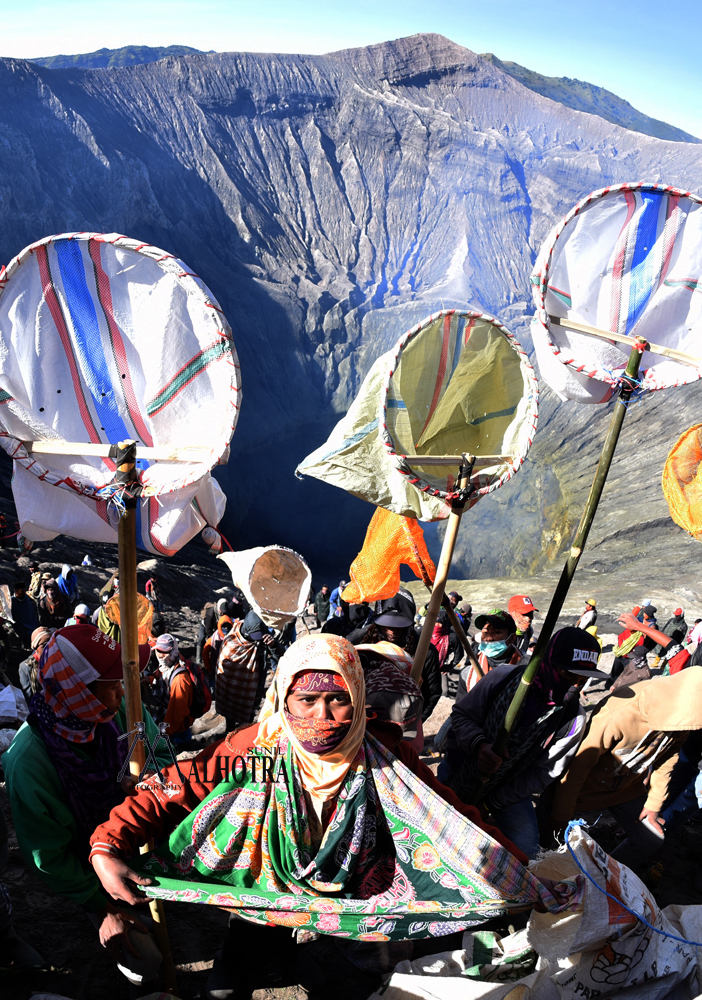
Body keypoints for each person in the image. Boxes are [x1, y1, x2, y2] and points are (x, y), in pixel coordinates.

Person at [88, 633, 569, 999]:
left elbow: (448, 814)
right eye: (306, 700)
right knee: (236, 974)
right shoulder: (260, 747)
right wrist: (108, 844)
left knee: (356, 979)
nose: (323, 717)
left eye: (338, 700)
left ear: (359, 698)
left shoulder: (380, 754)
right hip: (269, 885)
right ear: (284, 698)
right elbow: (178, 784)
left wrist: (520, 873)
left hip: (355, 891)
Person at [2, 624, 168, 988]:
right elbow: (48, 857)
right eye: (111, 686)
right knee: (147, 961)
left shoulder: (123, 710)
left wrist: (150, 782)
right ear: (78, 695)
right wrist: (102, 908)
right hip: (87, 869)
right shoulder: (30, 763)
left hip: (141, 836)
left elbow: (156, 754)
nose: (123, 693)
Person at [441, 628, 605, 858]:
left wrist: (491, 804)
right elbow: (461, 716)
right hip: (460, 765)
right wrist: (478, 745)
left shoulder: (572, 718)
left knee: (527, 852)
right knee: (434, 822)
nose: (575, 687)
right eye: (568, 676)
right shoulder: (503, 677)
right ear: (547, 663)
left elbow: (543, 773)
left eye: (583, 681)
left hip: (510, 787)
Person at [551, 665, 702, 870]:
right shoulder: (619, 714)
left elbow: (667, 759)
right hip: (584, 786)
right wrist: (561, 815)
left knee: (651, 839)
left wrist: (654, 805)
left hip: (626, 787)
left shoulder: (684, 721)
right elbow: (577, 767)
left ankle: (602, 878)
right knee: (549, 841)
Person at [348, 593, 442, 723]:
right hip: (362, 718)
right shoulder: (358, 640)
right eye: (387, 625)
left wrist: (414, 721)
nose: (392, 631)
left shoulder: (424, 651)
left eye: (399, 626)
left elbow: (432, 693)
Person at [215, 611, 279, 732]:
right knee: (231, 717)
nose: (257, 641)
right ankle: (229, 732)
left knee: (248, 719)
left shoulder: (262, 637)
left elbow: (280, 656)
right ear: (246, 631)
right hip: (232, 692)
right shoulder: (232, 641)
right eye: (254, 637)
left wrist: (273, 644)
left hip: (254, 689)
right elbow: (224, 669)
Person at [456, 608, 523, 701]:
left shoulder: (526, 670)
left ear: (512, 638)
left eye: (497, 632)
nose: (489, 638)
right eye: (485, 632)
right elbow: (460, 710)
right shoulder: (467, 675)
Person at [153, 634, 194, 743]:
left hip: (177, 728)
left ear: (173, 651)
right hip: (168, 718)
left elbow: (177, 712)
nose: (160, 655)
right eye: (158, 651)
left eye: (164, 652)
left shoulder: (180, 680)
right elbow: (163, 672)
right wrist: (151, 678)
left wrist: (166, 731)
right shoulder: (170, 663)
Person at [18, 627, 54, 702]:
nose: (48, 649)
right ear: (36, 648)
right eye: (44, 646)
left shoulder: (58, 660)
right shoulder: (26, 667)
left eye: (51, 644)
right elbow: (29, 696)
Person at [11, 579, 38, 646]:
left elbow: (31, 613)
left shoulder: (26, 598)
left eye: (24, 590)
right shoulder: (12, 602)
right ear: (16, 591)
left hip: (32, 626)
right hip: (21, 628)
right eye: (22, 591)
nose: (24, 593)